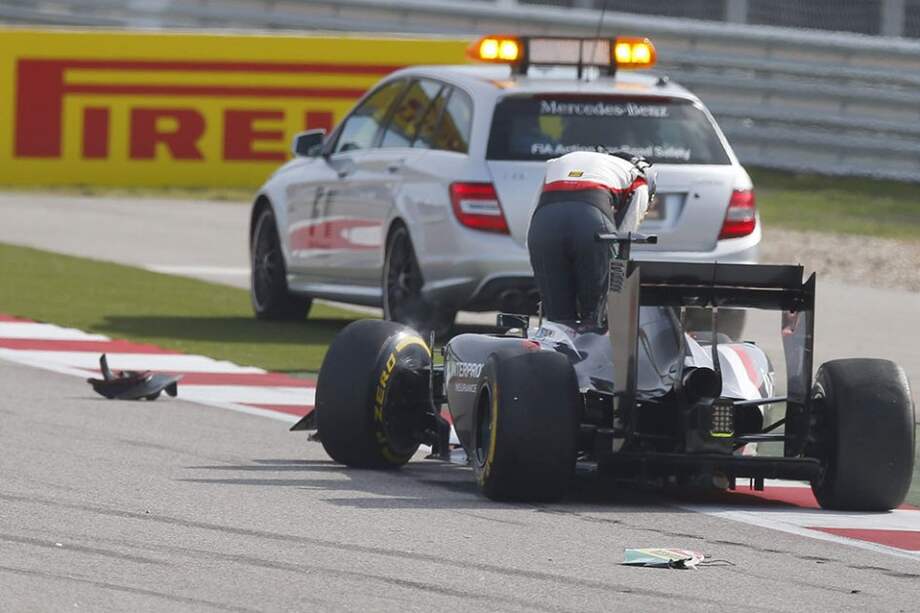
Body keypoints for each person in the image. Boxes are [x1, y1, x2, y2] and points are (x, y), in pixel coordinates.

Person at [527, 150, 656, 329]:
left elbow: (535, 211)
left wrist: (535, 249)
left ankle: (559, 349)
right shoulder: (638, 176)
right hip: (592, 221)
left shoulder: (560, 162)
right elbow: (625, 233)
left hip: (543, 225)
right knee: (595, 313)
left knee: (557, 319)